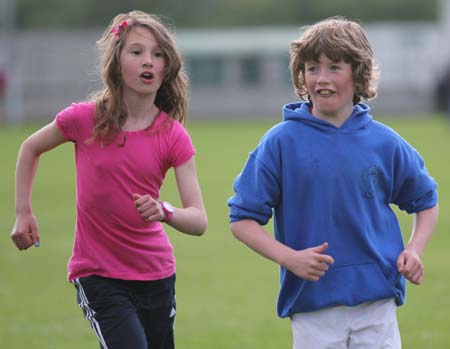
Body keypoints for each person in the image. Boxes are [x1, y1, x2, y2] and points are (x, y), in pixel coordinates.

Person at [227, 16, 438, 349]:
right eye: (312, 68)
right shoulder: (281, 142)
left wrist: (414, 249)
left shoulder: (385, 142)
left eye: (334, 67)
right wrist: (289, 258)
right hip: (313, 307)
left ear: (358, 73)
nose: (321, 78)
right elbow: (241, 220)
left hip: (377, 303)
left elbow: (426, 201)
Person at [10, 10, 207, 349]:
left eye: (158, 54)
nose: (148, 61)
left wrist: (164, 210)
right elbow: (30, 148)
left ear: (167, 67)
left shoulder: (173, 136)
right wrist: (23, 212)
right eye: (137, 51)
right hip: (98, 274)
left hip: (157, 274)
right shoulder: (83, 119)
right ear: (117, 61)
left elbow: (199, 219)